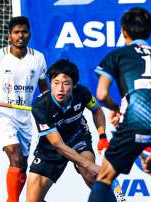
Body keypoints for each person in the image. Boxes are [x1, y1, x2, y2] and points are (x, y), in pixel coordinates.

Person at [88, 7, 151, 202]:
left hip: (135, 121)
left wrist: (114, 109)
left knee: (104, 177)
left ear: (123, 31)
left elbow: (102, 94)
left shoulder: (118, 55)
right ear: (150, 31)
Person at [0, 16, 48, 202]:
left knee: (21, 165)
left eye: (24, 32)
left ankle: (11, 198)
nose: (21, 36)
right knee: (15, 157)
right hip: (1, 114)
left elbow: (44, 89)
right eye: (16, 32)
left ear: (29, 34)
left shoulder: (38, 58)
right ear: (9, 36)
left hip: (25, 117)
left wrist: (47, 106)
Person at [26, 59, 110, 202]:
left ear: (74, 85)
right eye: (56, 83)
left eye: (66, 84)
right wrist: (90, 165)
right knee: (33, 200)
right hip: (51, 147)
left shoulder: (82, 93)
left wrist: (102, 135)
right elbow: (58, 145)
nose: (60, 89)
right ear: (50, 83)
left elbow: (97, 111)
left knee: (91, 176)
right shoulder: (41, 107)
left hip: (78, 138)